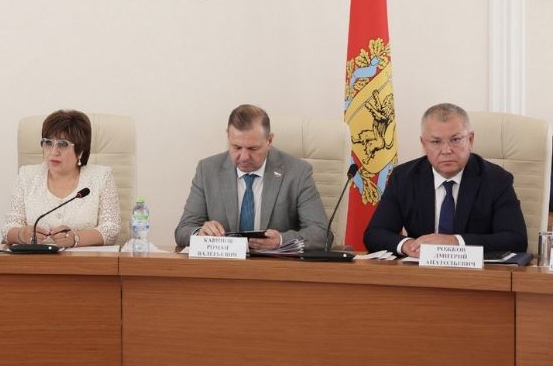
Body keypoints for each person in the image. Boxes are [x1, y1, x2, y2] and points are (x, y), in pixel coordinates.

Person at [364, 103, 527, 256]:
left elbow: (516, 240)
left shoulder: (497, 180)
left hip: (476, 272)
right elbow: (374, 234)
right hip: (421, 271)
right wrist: (408, 245)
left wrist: (456, 242)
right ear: (423, 144)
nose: (446, 150)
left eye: (455, 140)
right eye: (436, 142)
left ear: (470, 140)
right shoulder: (403, 177)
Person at [174, 104, 328, 250]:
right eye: (237, 147)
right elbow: (183, 230)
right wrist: (200, 233)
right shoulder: (207, 170)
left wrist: (281, 241)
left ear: (269, 141)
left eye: (253, 148)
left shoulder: (298, 172)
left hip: (275, 265)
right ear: (228, 137)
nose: (244, 157)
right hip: (223, 265)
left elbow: (322, 234)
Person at [3, 110, 120, 248]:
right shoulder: (26, 176)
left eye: (63, 144)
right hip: (36, 259)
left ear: (80, 150)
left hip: (84, 260)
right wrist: (21, 234)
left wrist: (76, 238)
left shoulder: (101, 177)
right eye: (48, 143)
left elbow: (111, 229)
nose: (53, 152)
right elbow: (8, 228)